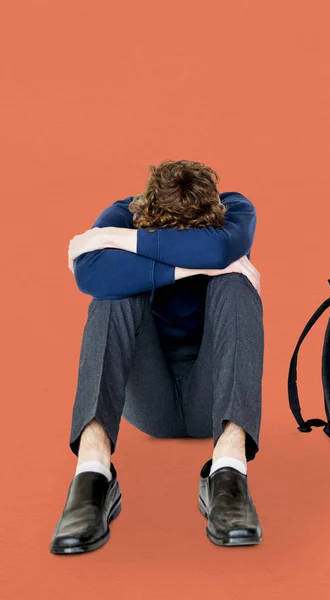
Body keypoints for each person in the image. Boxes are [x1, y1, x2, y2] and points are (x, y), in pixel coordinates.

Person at [50, 160, 264, 554]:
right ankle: (92, 474)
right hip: (151, 397)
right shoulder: (125, 214)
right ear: (145, 216)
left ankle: (229, 471)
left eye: (194, 235)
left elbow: (218, 248)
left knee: (236, 285)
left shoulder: (235, 210)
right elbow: (90, 275)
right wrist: (195, 264)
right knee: (111, 297)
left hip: (214, 396)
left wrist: (121, 242)